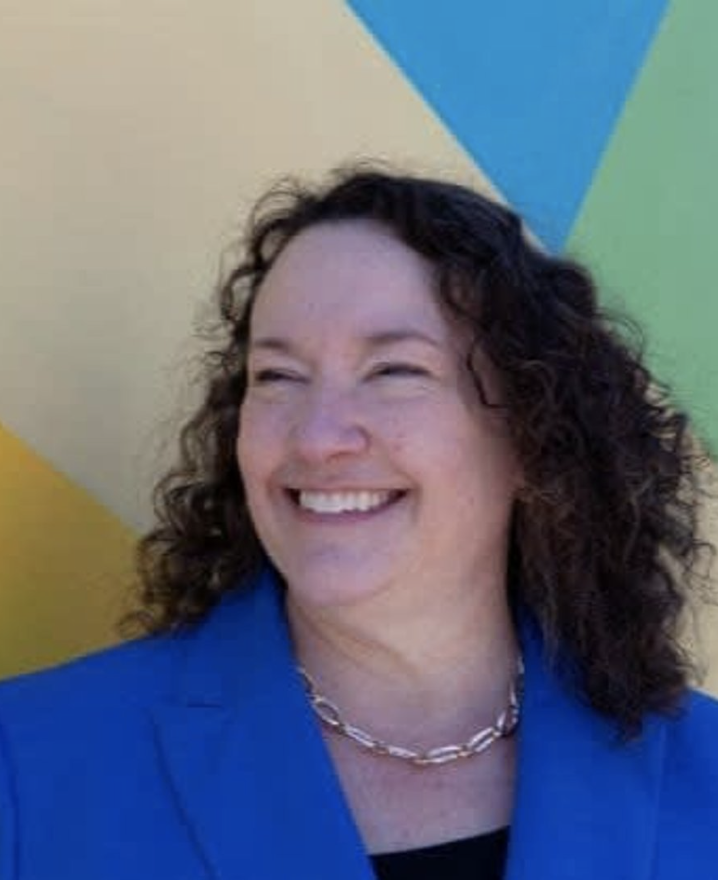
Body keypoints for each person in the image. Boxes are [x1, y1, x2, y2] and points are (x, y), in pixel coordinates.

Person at [0, 168, 717, 880]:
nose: (317, 438)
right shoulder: (29, 767)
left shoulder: (703, 777)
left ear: (535, 436)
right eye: (276, 377)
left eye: (393, 371)